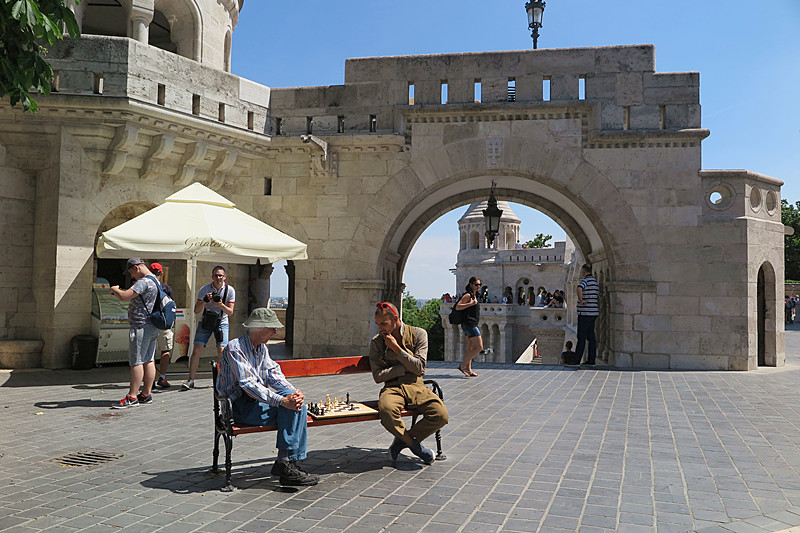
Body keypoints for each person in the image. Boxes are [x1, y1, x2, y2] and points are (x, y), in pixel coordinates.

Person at [216, 308, 319, 486]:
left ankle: (288, 462)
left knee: (298, 405)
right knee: (288, 406)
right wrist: (281, 401)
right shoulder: (235, 348)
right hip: (238, 407)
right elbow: (248, 385)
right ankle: (285, 463)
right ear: (258, 328)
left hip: (256, 403)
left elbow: (274, 375)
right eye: (271, 328)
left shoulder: (262, 349)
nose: (275, 332)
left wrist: (294, 393)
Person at [369, 302, 449, 465]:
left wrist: (397, 349)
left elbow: (419, 368)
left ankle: (400, 441)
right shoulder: (377, 342)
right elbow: (378, 376)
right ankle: (414, 446)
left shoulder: (419, 334)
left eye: (384, 323)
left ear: (395, 319)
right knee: (387, 411)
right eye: (378, 324)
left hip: (416, 386)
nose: (381, 329)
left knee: (440, 415)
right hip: (392, 388)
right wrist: (404, 368)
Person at [108, 258, 159, 408]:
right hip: (152, 325)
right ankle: (146, 394)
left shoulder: (143, 282)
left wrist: (115, 289)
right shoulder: (155, 280)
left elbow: (124, 296)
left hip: (140, 325)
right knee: (149, 360)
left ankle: (132, 396)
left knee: (136, 361)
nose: (131, 277)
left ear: (136, 268)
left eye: (131, 272)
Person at [184, 265, 236, 390]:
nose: (218, 278)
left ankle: (223, 379)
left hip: (222, 322)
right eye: (216, 275)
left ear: (224, 277)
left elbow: (230, 312)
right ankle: (191, 379)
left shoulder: (229, 290)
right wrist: (204, 300)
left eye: (220, 275)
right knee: (197, 349)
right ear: (212, 277)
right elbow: (196, 310)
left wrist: (220, 304)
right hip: (206, 321)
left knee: (222, 351)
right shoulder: (204, 289)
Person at [148, 263, 175, 389]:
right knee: (165, 351)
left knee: (150, 352)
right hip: (164, 324)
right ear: (161, 273)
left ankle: (150, 379)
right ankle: (162, 377)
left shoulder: (147, 287)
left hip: (150, 323)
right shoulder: (166, 288)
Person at [456, 277, 482, 377]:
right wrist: (471, 303)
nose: (478, 286)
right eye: (476, 284)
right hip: (469, 324)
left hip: (471, 323)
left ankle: (469, 369)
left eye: (480, 284)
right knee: (479, 347)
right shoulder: (467, 295)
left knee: (470, 347)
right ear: (471, 284)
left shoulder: (474, 295)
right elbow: (458, 306)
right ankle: (463, 365)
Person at [575, 264, 600, 366]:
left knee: (581, 337)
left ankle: (576, 360)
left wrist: (581, 300)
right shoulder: (595, 282)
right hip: (593, 313)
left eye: (582, 271)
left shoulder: (585, 281)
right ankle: (591, 360)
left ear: (584, 271)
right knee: (591, 337)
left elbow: (579, 288)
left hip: (585, 313)